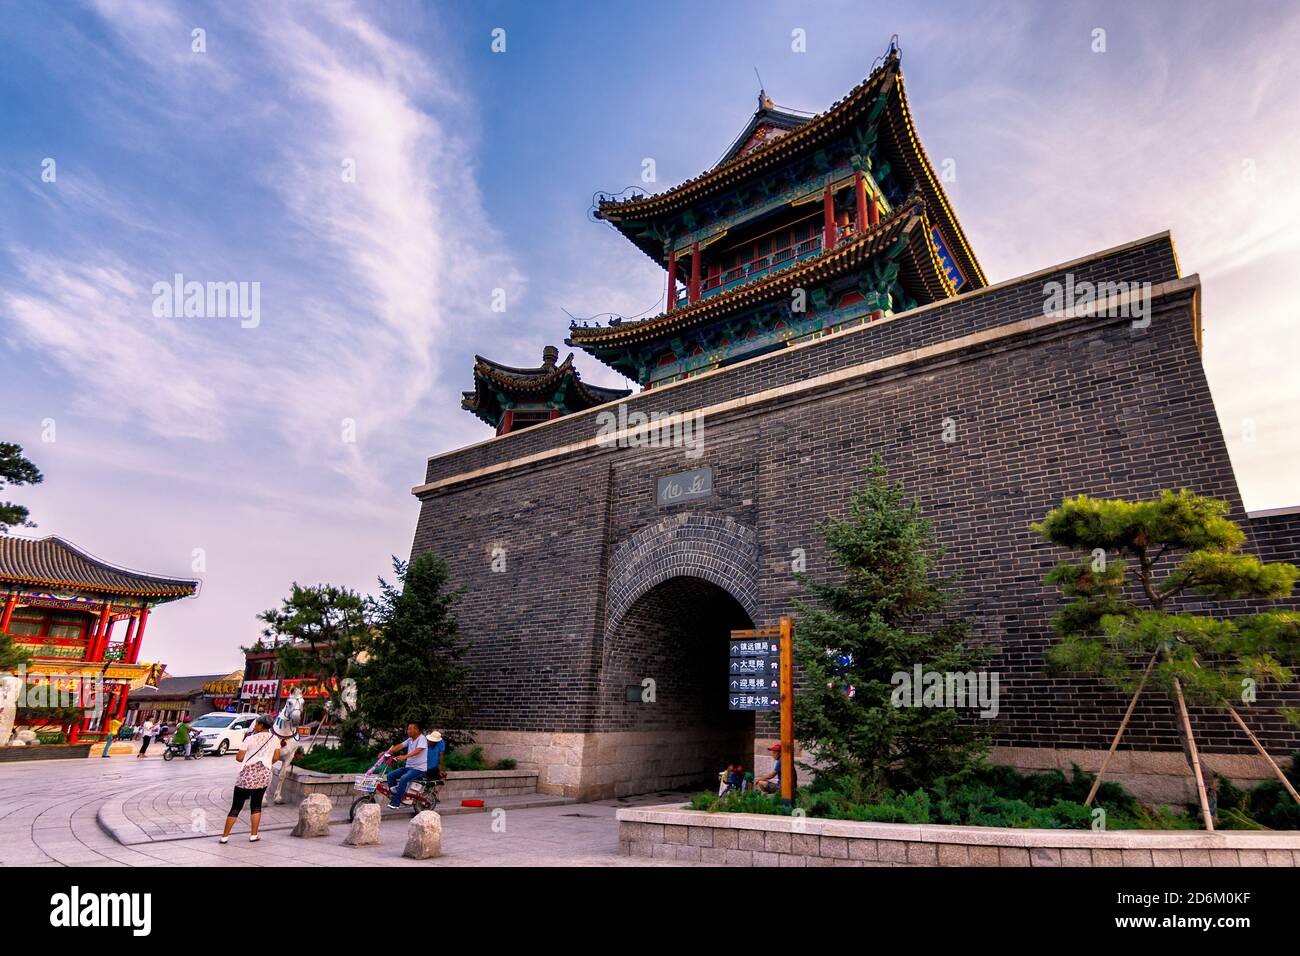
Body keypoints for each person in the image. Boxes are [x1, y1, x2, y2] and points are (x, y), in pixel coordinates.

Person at [219, 715, 281, 844]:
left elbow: (239, 758)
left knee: (236, 807)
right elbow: (276, 757)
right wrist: (266, 761)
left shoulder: (250, 739)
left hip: (246, 777)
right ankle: (254, 835)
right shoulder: (275, 739)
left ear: (260, 725)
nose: (255, 725)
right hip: (263, 777)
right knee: (256, 806)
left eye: (257, 723)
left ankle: (225, 836)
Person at [383, 722, 430, 809]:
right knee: (390, 776)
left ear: (416, 730)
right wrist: (386, 752)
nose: (408, 731)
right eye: (408, 729)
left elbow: (418, 750)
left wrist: (405, 756)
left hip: (419, 769)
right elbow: (400, 746)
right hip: (409, 767)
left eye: (410, 729)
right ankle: (397, 794)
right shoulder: (410, 739)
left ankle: (396, 803)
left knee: (404, 778)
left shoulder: (422, 738)